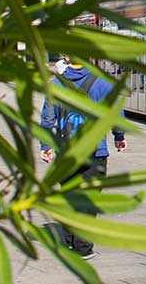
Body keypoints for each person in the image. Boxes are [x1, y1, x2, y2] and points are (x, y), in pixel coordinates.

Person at [39, 60, 127, 260]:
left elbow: (47, 117)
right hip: (95, 152)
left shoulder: (56, 83)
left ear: (67, 58)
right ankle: (83, 247)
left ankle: (70, 241)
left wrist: (45, 146)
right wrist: (119, 136)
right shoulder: (104, 83)